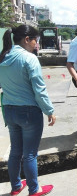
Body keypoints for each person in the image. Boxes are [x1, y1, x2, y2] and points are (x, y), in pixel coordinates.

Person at [0, 25, 56, 195]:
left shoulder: (3, 57)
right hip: (28, 112)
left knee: (15, 151)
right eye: (35, 40)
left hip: (9, 110)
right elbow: (39, 90)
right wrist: (49, 110)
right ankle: (34, 189)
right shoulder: (29, 59)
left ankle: (16, 186)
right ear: (26, 39)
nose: (36, 44)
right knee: (30, 154)